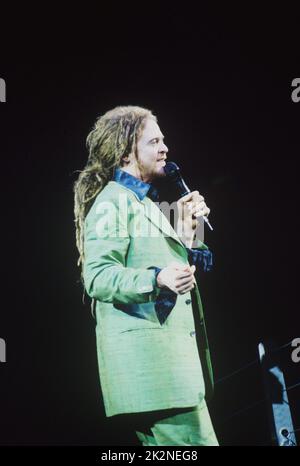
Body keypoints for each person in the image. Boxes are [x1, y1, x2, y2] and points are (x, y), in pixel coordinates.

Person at [73, 106, 218, 446]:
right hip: (153, 373)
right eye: (154, 141)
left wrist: (188, 233)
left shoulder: (144, 203)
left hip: (172, 374)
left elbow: (188, 267)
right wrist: (156, 279)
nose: (164, 147)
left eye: (163, 139)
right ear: (126, 154)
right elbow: (97, 276)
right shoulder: (112, 202)